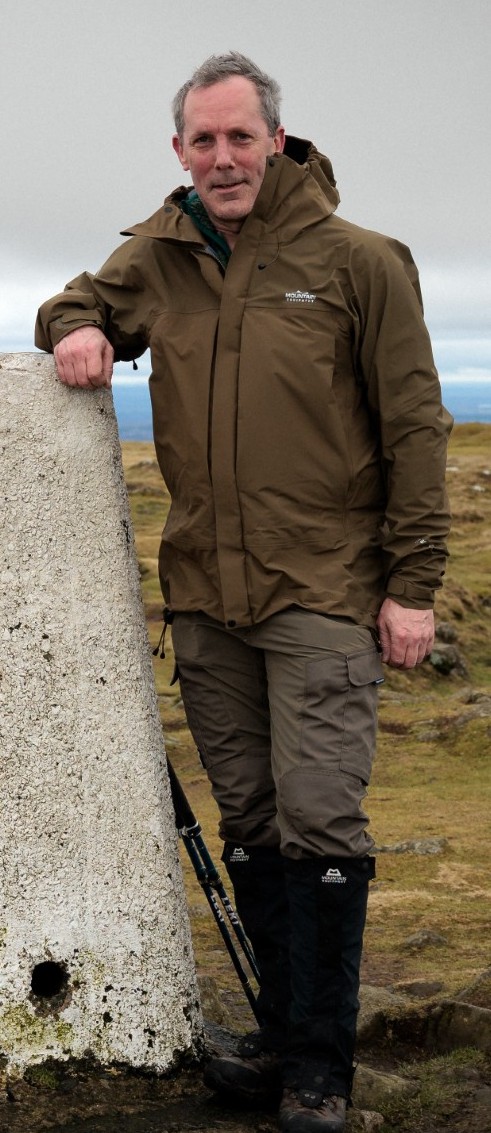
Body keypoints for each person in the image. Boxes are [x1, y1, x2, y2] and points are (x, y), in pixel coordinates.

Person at [35, 52, 452, 1133]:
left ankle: (320, 1069)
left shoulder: (360, 260)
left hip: (321, 592)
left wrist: (411, 586)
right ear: (179, 151)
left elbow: (413, 428)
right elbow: (73, 298)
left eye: (239, 137)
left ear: (276, 139)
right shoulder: (160, 256)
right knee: (256, 823)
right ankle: (276, 1034)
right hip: (206, 603)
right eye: (201, 140)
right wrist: (76, 327)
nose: (221, 158)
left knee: (320, 824)